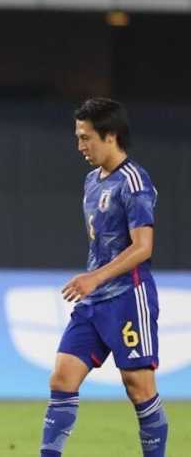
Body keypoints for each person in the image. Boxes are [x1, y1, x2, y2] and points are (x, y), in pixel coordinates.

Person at [40, 98, 166, 457]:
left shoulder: (135, 182)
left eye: (86, 138)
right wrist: (94, 282)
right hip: (94, 301)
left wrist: (95, 278)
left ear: (110, 136)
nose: (80, 146)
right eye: (78, 138)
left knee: (139, 388)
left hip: (129, 298)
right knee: (62, 378)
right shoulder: (92, 181)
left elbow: (143, 247)